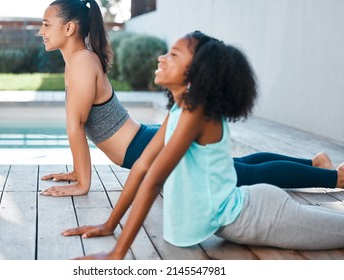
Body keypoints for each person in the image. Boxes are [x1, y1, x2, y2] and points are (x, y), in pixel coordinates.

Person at [62, 31, 344, 259]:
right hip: (249, 210)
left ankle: (332, 176)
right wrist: (109, 225)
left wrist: (117, 253)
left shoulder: (194, 112)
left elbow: (154, 178)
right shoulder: (178, 111)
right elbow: (142, 167)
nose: (161, 57)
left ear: (194, 72)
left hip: (258, 216)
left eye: (173, 55)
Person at [38, 0, 344, 197]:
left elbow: (76, 126)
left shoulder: (80, 62)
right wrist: (77, 172)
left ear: (69, 27)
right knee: (236, 166)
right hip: (141, 141)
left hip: (141, 145)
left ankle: (334, 178)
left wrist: (83, 183)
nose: (41, 31)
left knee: (241, 175)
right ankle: (315, 163)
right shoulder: (79, 60)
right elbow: (79, 125)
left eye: (46, 24)